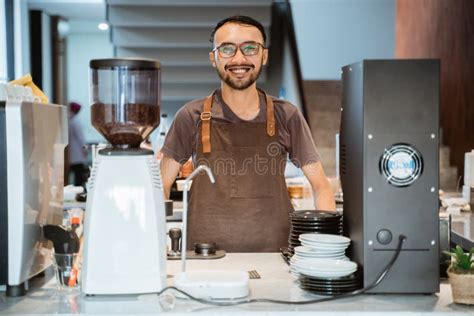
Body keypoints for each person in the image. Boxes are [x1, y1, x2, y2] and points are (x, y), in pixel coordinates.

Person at [160, 16, 335, 252]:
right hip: (204, 258)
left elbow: (321, 186)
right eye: (227, 49)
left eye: (250, 48)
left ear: (264, 55)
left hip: (277, 254)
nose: (239, 58)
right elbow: (159, 184)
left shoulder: (287, 116)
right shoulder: (190, 116)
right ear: (214, 58)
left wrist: (326, 246)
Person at [68, 102, 89, 188]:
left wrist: (84, 148)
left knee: (77, 175)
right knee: (78, 175)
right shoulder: (75, 121)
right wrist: (85, 149)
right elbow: (81, 138)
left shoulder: (72, 121)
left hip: (75, 153)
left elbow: (80, 138)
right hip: (77, 153)